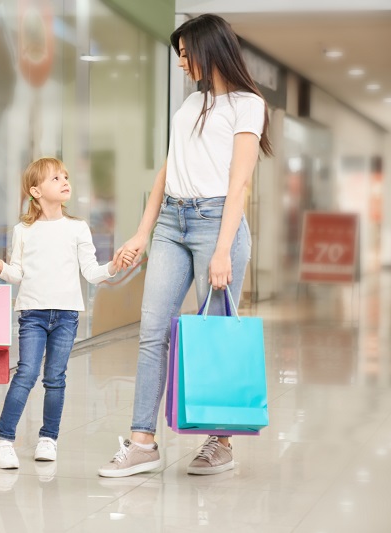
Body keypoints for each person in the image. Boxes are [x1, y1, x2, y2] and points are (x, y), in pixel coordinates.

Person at [98, 14, 272, 478]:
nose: (180, 62)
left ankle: (221, 442)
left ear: (207, 48)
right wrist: (141, 232)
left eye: (184, 52)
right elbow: (166, 172)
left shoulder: (247, 104)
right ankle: (142, 442)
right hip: (172, 223)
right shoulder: (186, 109)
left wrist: (223, 248)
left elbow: (239, 184)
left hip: (218, 222)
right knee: (153, 330)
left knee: (214, 335)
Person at [0, 157, 122, 469]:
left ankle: (49, 438)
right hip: (32, 314)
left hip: (67, 315)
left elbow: (90, 271)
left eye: (65, 176)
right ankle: (4, 441)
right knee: (27, 372)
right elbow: (17, 273)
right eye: (55, 178)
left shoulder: (78, 228)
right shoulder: (23, 231)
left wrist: (112, 266)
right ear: (36, 191)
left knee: (55, 378)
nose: (64, 181)